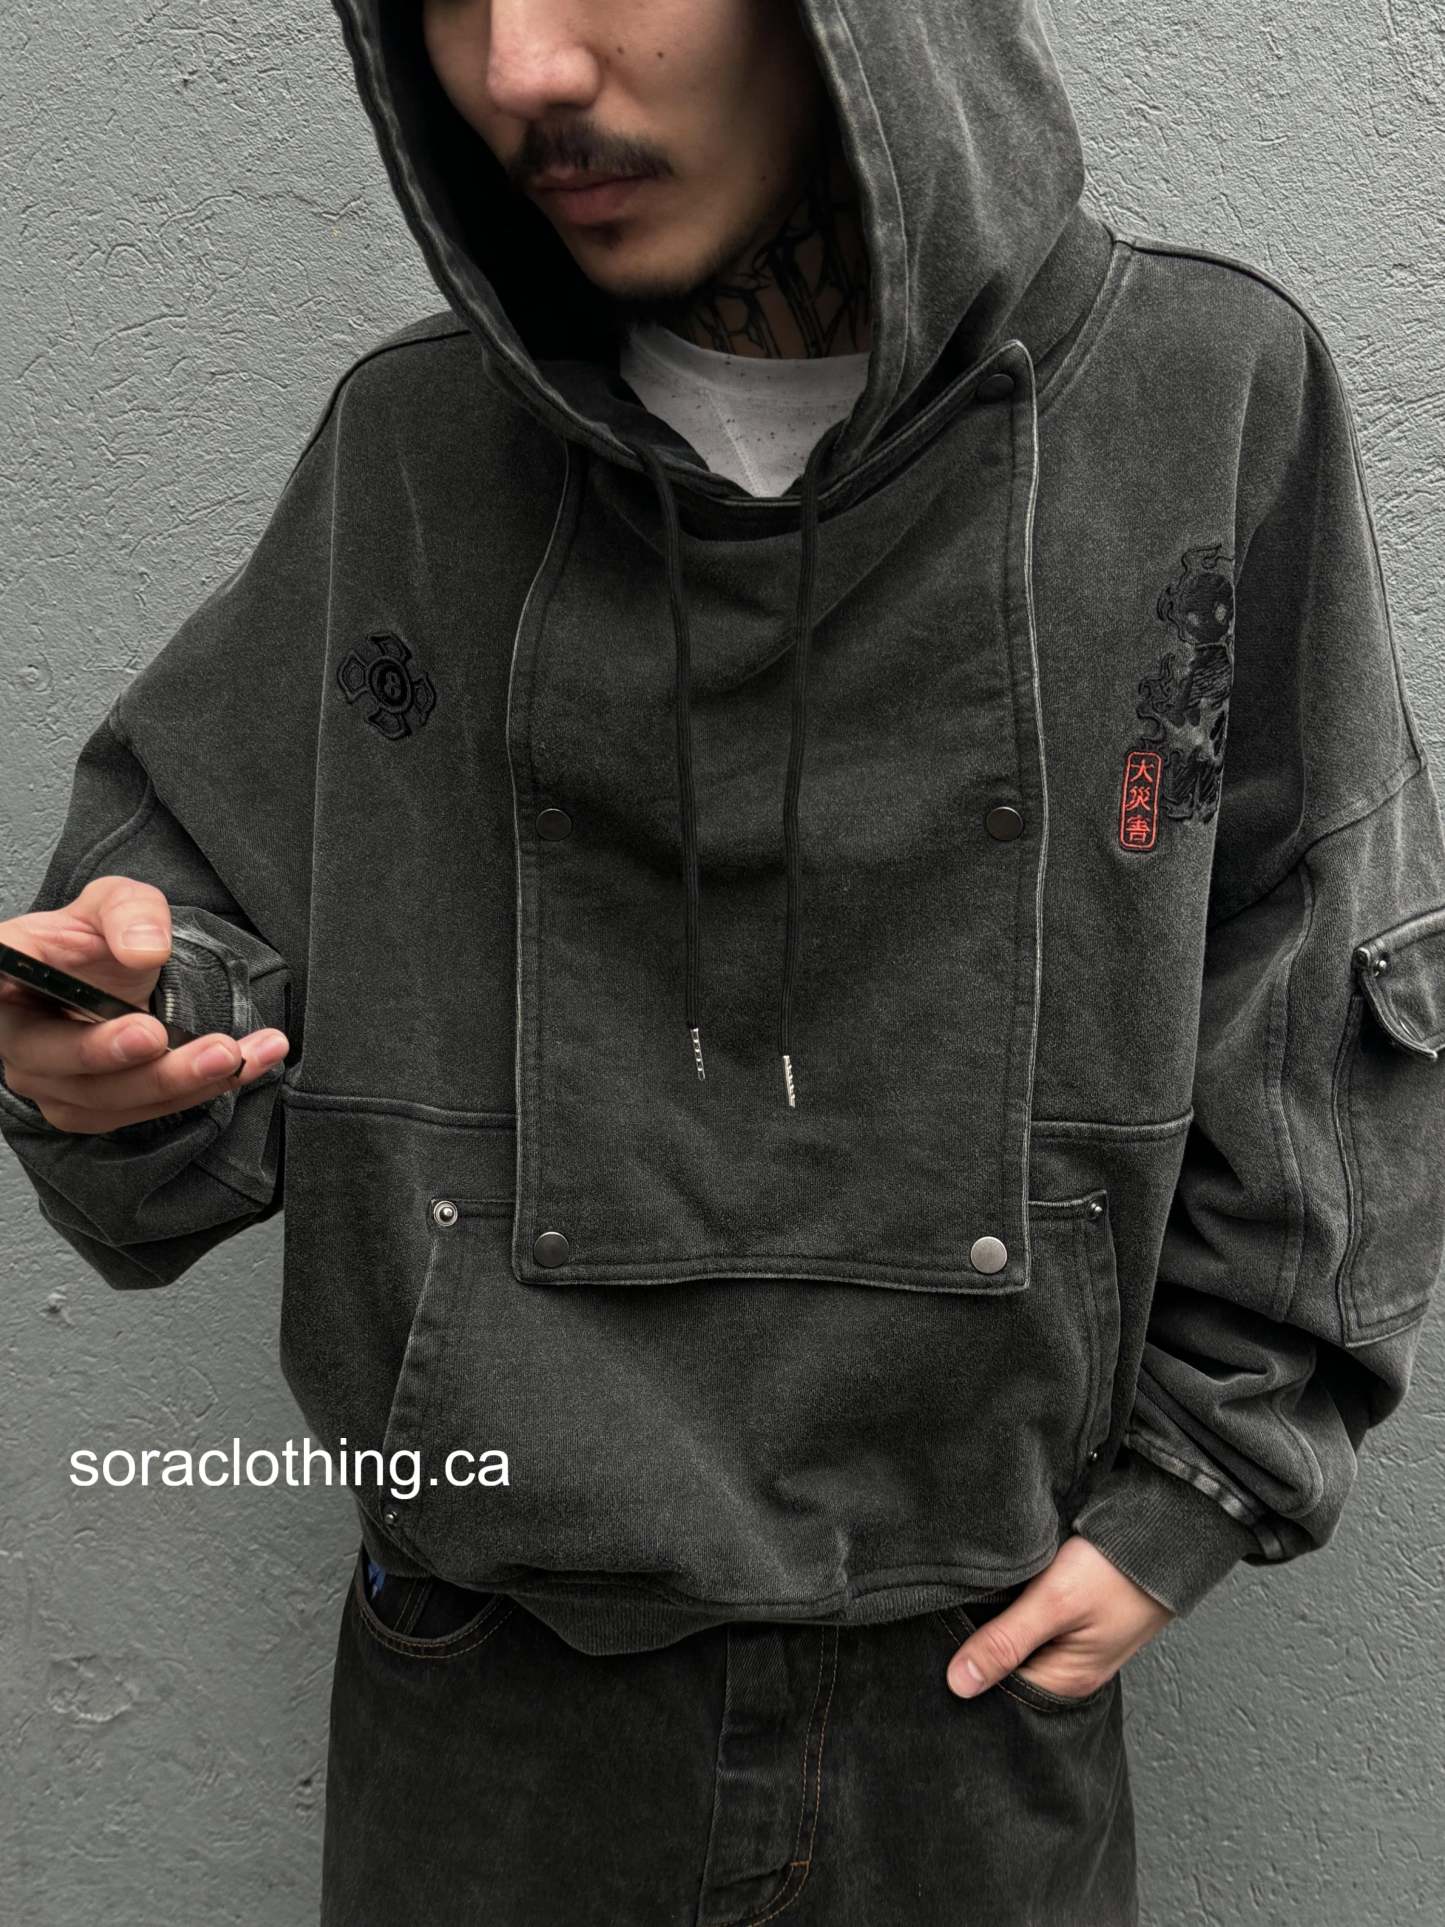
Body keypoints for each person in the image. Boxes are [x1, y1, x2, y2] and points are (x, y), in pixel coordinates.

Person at [3, 1, 1444, 1921]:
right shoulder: (416, 446)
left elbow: (1322, 971)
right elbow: (198, 929)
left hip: (968, 1705)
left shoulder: (1196, 399)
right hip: (491, 1693)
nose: (520, 66)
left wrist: (1204, 1482)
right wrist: (122, 1043)